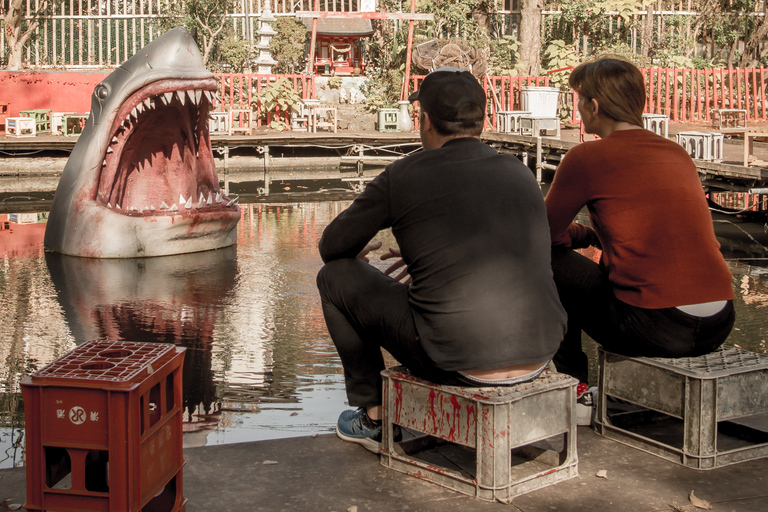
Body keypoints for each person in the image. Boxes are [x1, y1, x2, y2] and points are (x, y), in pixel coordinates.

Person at [316, 67, 567, 453]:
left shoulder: (404, 175)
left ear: (426, 120)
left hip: (457, 362)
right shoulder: (519, 172)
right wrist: (426, 256)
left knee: (335, 277)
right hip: (540, 353)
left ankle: (374, 417)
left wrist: (360, 253)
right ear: (483, 121)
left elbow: (332, 247)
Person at [545, 58, 735, 422]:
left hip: (657, 328)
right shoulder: (675, 152)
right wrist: (590, 236)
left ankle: (575, 388)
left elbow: (544, 236)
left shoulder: (585, 157)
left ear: (594, 106)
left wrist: (580, 236)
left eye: (579, 99)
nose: (577, 108)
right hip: (718, 323)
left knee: (545, 262)